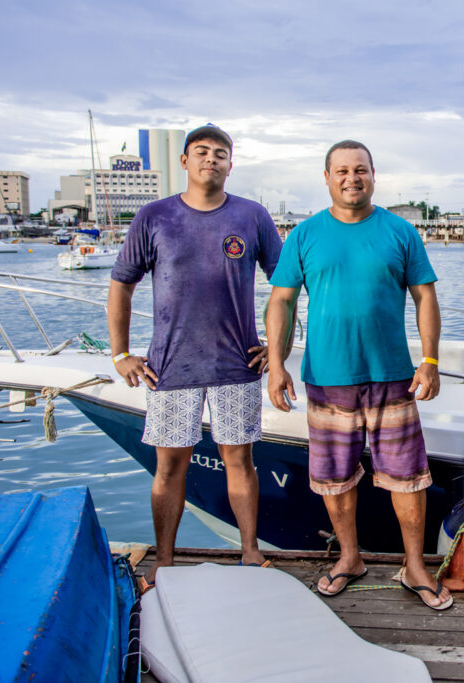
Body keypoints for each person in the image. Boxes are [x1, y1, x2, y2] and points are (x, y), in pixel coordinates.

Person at [265, 140, 452, 610]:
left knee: (407, 477)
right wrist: (276, 365)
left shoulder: (400, 231)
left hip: (392, 375)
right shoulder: (304, 236)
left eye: (361, 169)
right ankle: (350, 558)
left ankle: (414, 566)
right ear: (327, 177)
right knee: (335, 478)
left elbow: (425, 298)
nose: (353, 178)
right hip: (327, 377)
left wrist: (429, 361)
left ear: (374, 175)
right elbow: (281, 302)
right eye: (343, 170)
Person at [108, 124, 283, 592]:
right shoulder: (154, 217)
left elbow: (284, 285)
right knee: (170, 468)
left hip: (237, 366)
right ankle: (164, 560)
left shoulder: (252, 216)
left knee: (240, 461)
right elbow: (121, 285)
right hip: (171, 367)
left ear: (231, 163)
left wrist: (276, 348)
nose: (211, 159)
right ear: (184, 161)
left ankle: (250, 552)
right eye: (201, 152)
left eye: (220, 153)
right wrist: (121, 353)